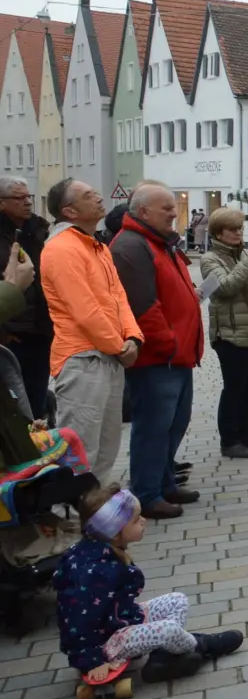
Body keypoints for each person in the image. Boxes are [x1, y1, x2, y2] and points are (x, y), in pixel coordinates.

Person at [54, 485, 242, 687]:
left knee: (177, 600)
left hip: (122, 619)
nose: (143, 521)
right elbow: (76, 620)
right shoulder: (93, 571)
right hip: (107, 644)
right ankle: (200, 645)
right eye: (136, 519)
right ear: (114, 531)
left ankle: (162, 657)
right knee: (168, 630)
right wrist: (91, 661)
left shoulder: (103, 549)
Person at [111, 182, 204, 519]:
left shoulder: (158, 242)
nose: (173, 213)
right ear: (143, 211)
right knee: (153, 428)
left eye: (173, 206)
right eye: (166, 208)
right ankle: (147, 494)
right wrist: (169, 343)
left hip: (176, 356)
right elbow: (142, 307)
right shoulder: (131, 246)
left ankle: (164, 483)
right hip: (158, 358)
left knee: (173, 424)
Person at [41, 179, 142, 482]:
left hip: (108, 355)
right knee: (81, 451)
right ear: (69, 211)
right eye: (88, 195)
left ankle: (97, 506)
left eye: (95, 192)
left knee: (107, 448)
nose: (98, 197)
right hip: (83, 360)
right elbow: (84, 309)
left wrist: (133, 337)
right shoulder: (61, 248)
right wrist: (119, 346)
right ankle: (74, 508)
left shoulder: (96, 246)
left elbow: (118, 297)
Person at [199, 208, 248, 459]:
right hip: (229, 334)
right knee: (235, 388)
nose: (238, 233)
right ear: (218, 233)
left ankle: (247, 435)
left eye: (239, 228)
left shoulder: (246, 254)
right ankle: (230, 440)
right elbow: (226, 287)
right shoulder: (210, 259)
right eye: (232, 229)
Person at [0, 177, 52, 420]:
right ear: (2, 203)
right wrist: (4, 331)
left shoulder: (37, 231)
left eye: (28, 197)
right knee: (15, 406)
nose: (28, 202)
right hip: (12, 334)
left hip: (40, 329)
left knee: (36, 403)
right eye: (19, 198)